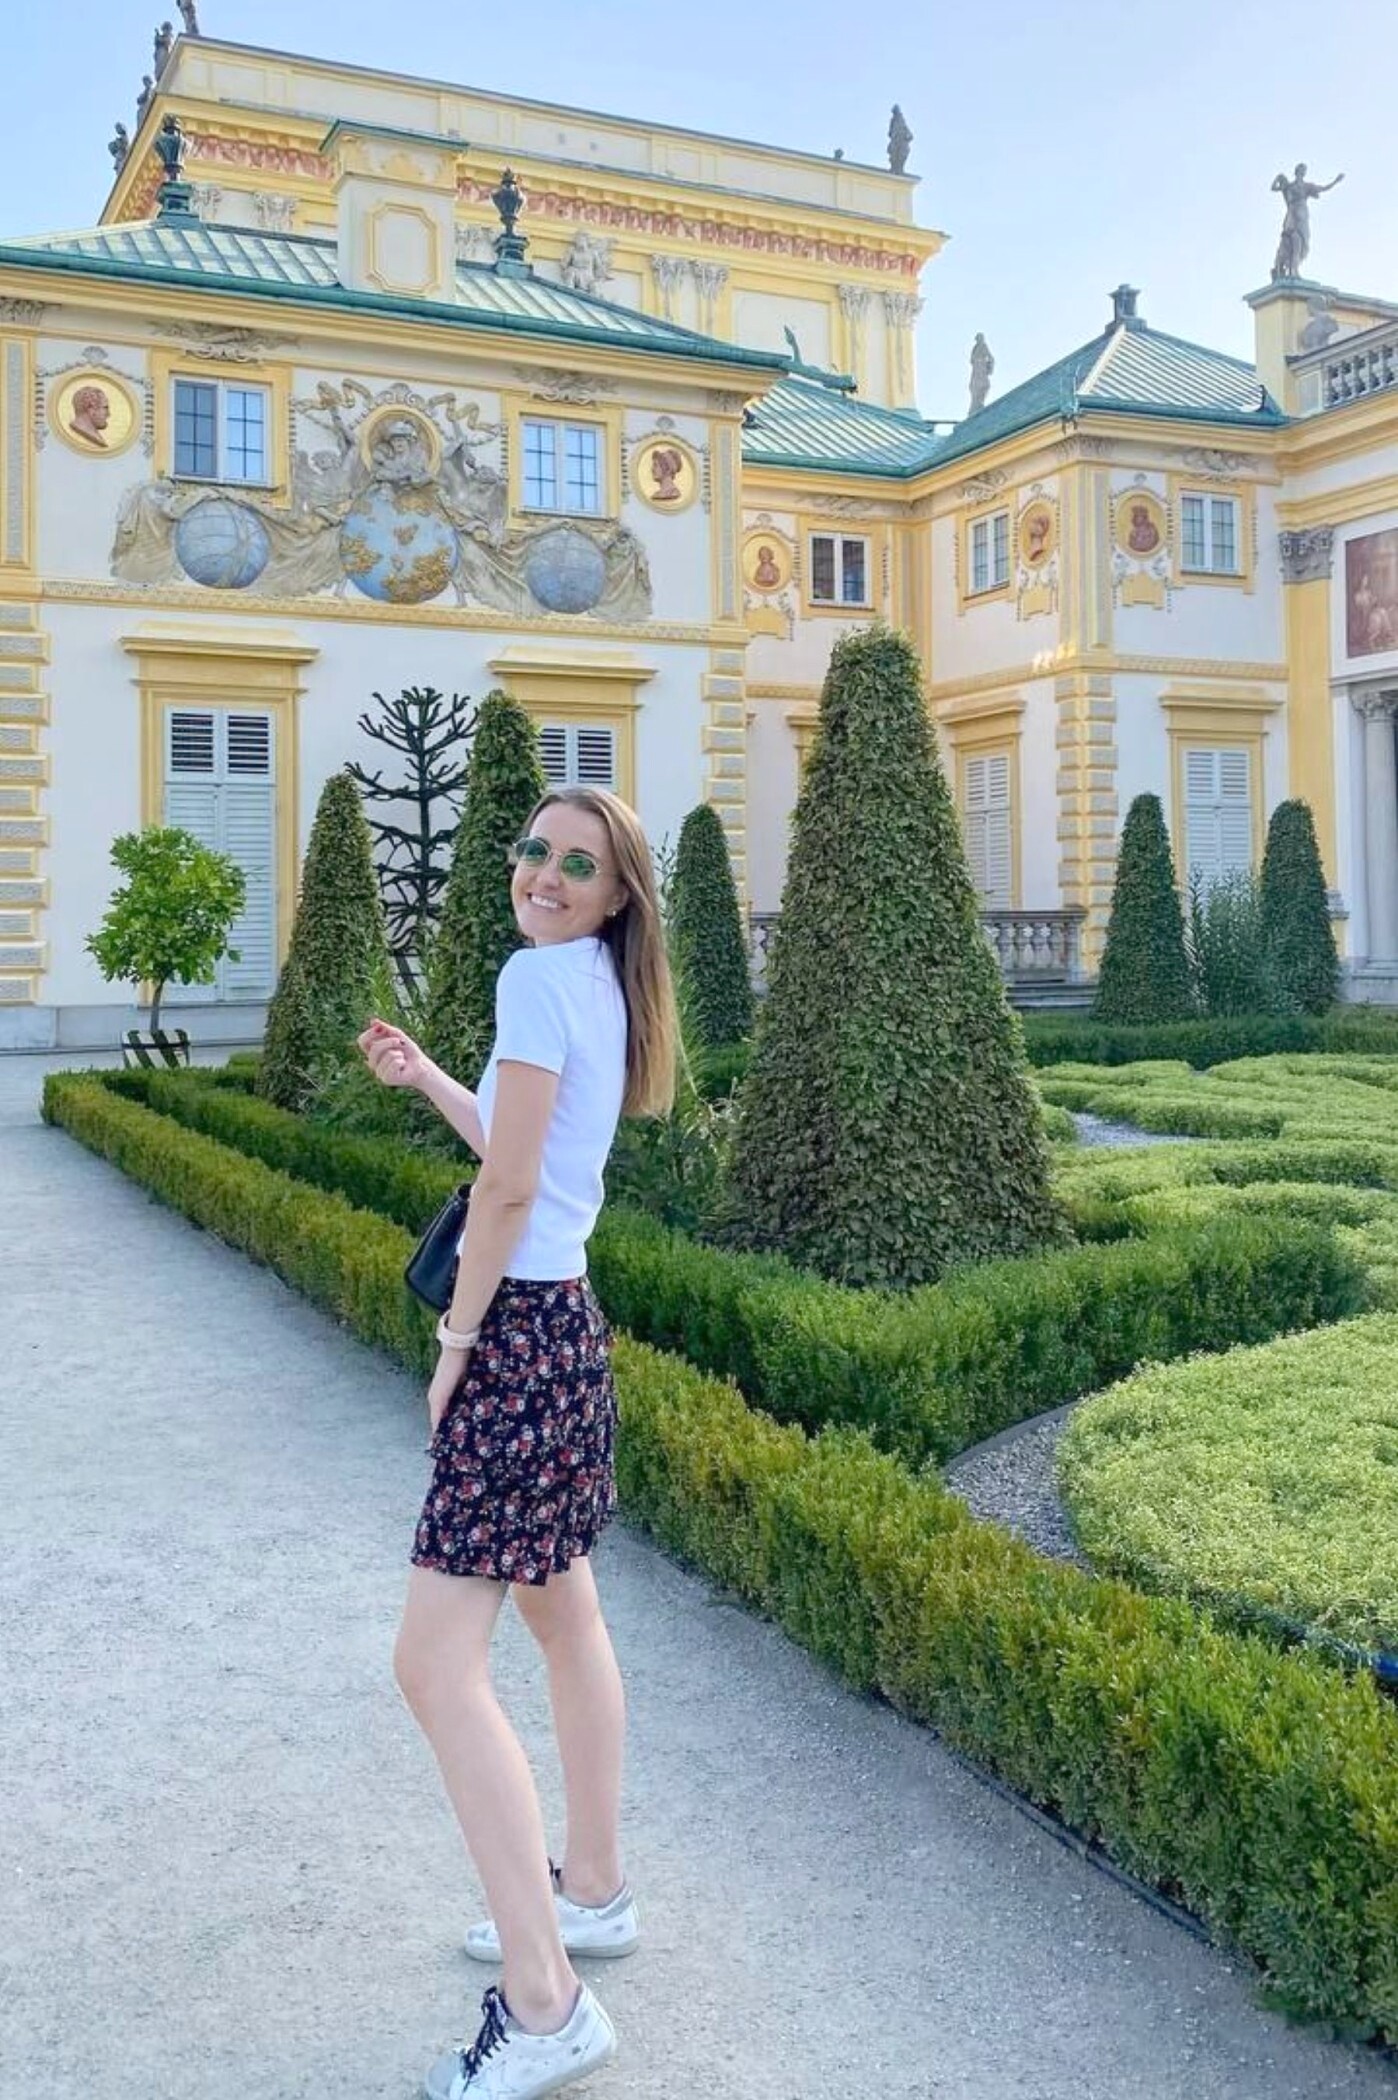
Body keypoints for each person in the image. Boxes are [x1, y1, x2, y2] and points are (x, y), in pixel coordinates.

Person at [357, 785, 677, 2100]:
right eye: (534, 850)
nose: (544, 872)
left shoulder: (537, 977)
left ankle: (545, 2007)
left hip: (518, 1340)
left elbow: (508, 1189)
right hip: (568, 1332)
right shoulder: (592, 983)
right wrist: (432, 1076)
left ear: (617, 893)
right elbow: (518, 1144)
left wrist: (453, 1345)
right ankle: (591, 1890)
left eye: (577, 862)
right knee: (564, 1616)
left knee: (433, 1666)